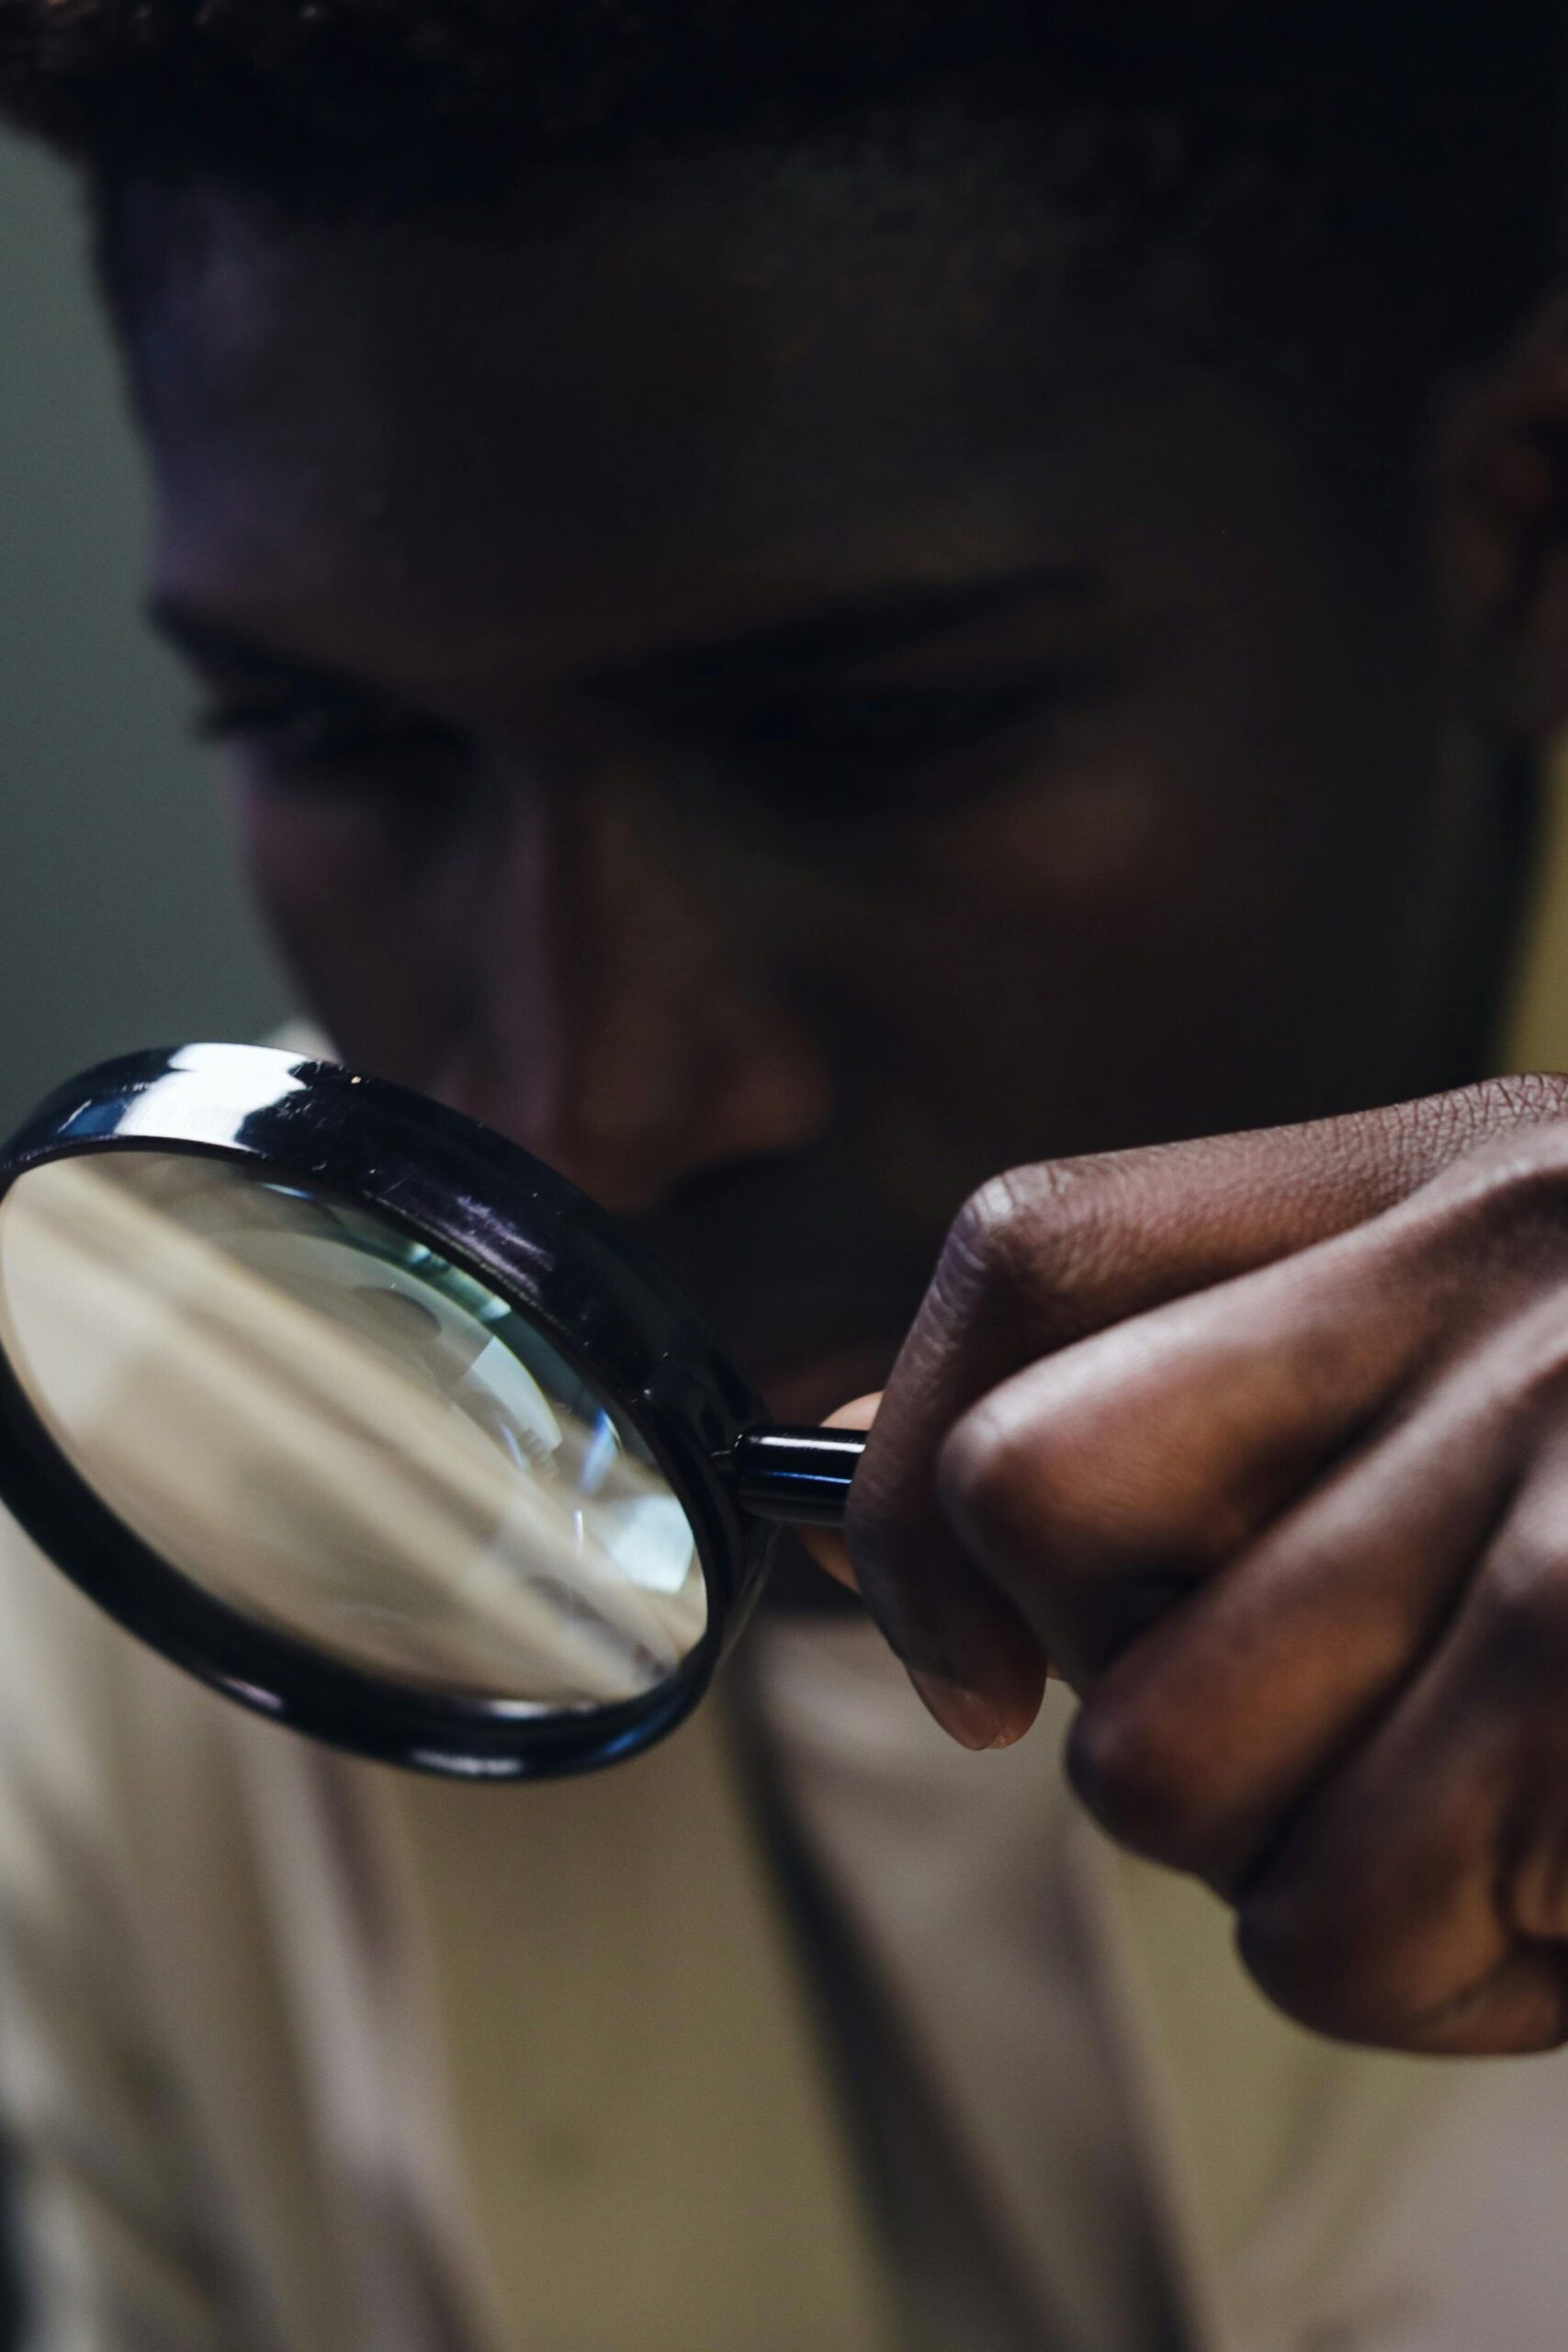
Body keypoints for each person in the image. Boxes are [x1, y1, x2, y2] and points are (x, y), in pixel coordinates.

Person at [2, 1, 1568, 2343]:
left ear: (1525, 527)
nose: (577, 1109)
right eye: (335, 739)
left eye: (870, 731)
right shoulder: (152, 1567)